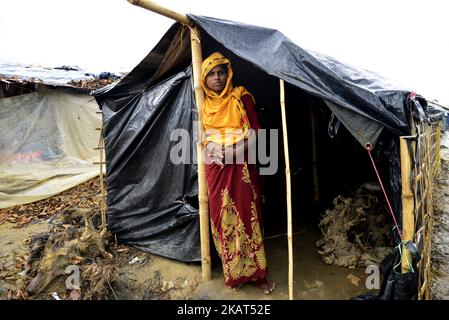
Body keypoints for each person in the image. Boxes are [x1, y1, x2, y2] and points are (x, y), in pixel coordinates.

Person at [200, 52, 275, 294]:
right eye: (211, 74)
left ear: (228, 73)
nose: (217, 77)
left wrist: (233, 153)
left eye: (221, 71)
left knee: (247, 218)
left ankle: (258, 275)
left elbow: (255, 133)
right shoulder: (204, 105)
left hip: (241, 164)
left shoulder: (241, 97)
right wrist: (210, 145)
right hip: (215, 168)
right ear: (204, 79)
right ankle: (235, 274)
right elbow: (202, 137)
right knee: (223, 220)